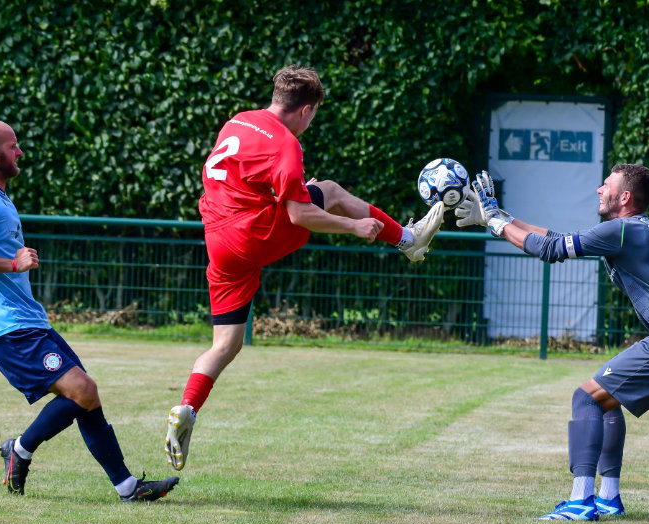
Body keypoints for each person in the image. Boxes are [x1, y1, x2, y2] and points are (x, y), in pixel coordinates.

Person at [163, 66, 446, 471]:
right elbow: (298, 215)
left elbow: (244, 178)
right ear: (306, 110)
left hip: (219, 242)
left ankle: (186, 409)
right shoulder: (286, 145)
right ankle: (408, 240)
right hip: (253, 234)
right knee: (329, 191)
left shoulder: (238, 121)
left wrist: (290, 192)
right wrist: (353, 226)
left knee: (225, 344)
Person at [455, 163, 649, 520]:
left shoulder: (623, 231)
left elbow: (549, 250)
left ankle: (581, 502)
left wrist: (495, 223)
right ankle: (608, 498)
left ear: (624, 197)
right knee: (606, 401)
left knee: (586, 398)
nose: (599, 189)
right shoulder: (633, 228)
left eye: (606, 185)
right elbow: (554, 237)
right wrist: (501, 217)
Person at [0, 118, 178, 502]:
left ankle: (127, 487)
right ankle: (20, 449)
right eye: (12, 146)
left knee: (87, 395)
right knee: (82, 390)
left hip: (28, 321)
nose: (20, 152)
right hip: (7, 327)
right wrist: (12, 263)